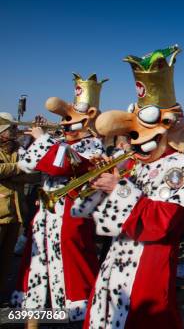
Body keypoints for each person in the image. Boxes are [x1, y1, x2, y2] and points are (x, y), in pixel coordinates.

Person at [72, 45, 184, 328]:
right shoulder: (136, 165)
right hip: (116, 262)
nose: (135, 140)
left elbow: (164, 223)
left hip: (148, 268)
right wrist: (100, 184)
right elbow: (99, 219)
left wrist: (120, 189)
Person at [12, 74, 106, 321]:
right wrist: (34, 141)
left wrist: (42, 139)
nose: (64, 125)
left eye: (69, 118)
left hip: (71, 212)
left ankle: (75, 307)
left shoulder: (93, 146)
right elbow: (27, 164)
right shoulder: (59, 142)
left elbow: (61, 165)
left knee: (72, 257)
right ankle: (39, 305)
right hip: (47, 211)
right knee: (38, 254)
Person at [0, 113, 30, 294]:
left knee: (5, 261)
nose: (15, 131)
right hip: (1, 213)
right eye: (11, 128)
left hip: (15, 214)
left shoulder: (19, 149)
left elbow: (34, 174)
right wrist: (18, 168)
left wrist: (10, 174)